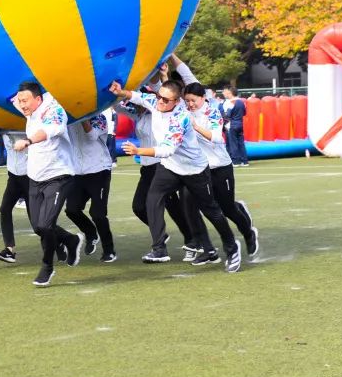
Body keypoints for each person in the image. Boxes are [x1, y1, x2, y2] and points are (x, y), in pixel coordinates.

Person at [111, 80, 241, 273]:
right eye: (159, 97)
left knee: (211, 211)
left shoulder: (181, 118)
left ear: (176, 102)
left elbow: (167, 149)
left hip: (194, 170)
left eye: (166, 100)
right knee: (152, 199)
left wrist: (139, 151)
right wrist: (120, 91)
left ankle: (232, 248)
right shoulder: (155, 102)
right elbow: (137, 96)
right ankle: (159, 249)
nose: (160, 102)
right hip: (170, 168)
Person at [12, 82, 84, 287]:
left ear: (38, 99)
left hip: (58, 176)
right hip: (35, 178)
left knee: (46, 225)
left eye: (25, 101)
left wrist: (27, 141)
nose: (22, 105)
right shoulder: (27, 107)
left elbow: (48, 130)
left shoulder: (54, 110)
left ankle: (47, 267)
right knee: (38, 227)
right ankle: (71, 240)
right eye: (20, 101)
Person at [183, 82, 260, 258]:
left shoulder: (213, 112)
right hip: (198, 170)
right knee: (191, 205)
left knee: (227, 209)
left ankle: (248, 233)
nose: (190, 104)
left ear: (203, 97)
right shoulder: (184, 113)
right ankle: (206, 248)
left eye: (193, 100)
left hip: (220, 167)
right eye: (187, 101)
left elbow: (217, 137)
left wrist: (196, 127)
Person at [63, 114, 117, 262]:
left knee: (98, 214)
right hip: (78, 172)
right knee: (72, 210)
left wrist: (81, 117)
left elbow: (91, 136)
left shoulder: (99, 117)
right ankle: (91, 233)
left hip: (99, 170)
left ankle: (109, 250)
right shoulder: (68, 120)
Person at [0, 129, 32, 264]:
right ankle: (9, 249)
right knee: (5, 209)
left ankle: (66, 239)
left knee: (37, 222)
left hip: (29, 176)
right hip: (13, 176)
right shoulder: (2, 126)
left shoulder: (26, 124)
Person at [221, 86, 249, 166]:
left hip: (231, 125)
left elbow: (227, 115)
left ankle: (236, 161)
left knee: (233, 144)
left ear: (231, 93)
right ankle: (245, 161)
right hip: (240, 124)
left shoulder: (229, 102)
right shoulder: (242, 102)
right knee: (241, 143)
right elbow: (244, 113)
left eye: (228, 93)